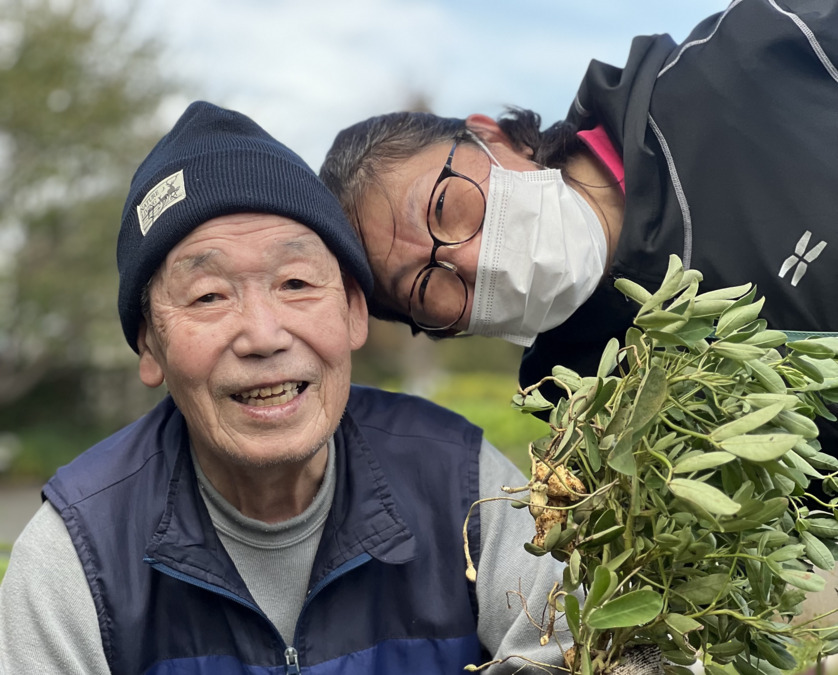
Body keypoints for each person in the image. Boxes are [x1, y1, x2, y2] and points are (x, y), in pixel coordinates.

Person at [0, 101, 572, 674]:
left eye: (295, 283)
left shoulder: (463, 486)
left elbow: (564, 653)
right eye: (208, 296)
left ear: (353, 310)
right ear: (150, 345)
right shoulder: (78, 555)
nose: (263, 335)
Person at [319, 0, 838, 422]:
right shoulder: (586, 411)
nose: (473, 260)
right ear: (448, 330)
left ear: (489, 135)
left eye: (445, 205)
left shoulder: (757, 55)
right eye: (430, 289)